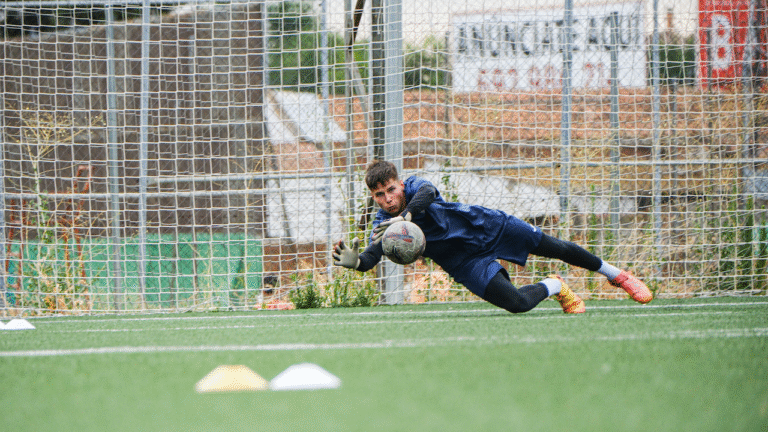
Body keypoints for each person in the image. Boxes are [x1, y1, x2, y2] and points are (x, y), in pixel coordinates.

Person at [333, 160, 653, 314]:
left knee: (555, 247)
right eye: (380, 195)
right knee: (516, 304)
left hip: (486, 226)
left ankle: (617, 275)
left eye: (391, 189)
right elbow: (372, 255)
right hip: (464, 262)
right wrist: (357, 261)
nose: (388, 198)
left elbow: (428, 192)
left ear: (400, 184)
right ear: (373, 197)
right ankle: (556, 286)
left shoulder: (415, 187)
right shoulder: (384, 224)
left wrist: (406, 217)